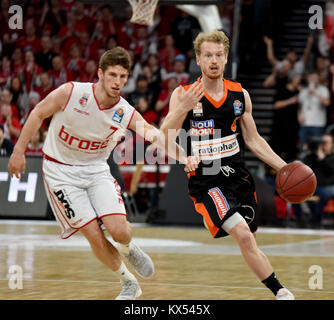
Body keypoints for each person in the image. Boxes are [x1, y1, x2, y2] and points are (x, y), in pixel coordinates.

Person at [8, 47, 190, 300]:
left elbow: (153, 133)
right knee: (93, 233)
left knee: (120, 230)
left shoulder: (124, 111)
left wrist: (185, 157)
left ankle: (128, 247)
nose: (118, 82)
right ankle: (128, 283)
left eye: (123, 77)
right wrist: (19, 151)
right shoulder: (72, 92)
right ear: (100, 74)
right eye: (113, 75)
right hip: (61, 173)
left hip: (95, 170)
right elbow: (38, 112)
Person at [160, 30, 295, 300]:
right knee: (244, 236)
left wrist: (285, 168)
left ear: (226, 58)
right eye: (208, 55)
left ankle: (277, 289)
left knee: (250, 240)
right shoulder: (184, 94)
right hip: (207, 182)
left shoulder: (240, 95)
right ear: (198, 59)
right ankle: (281, 292)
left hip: (239, 178)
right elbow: (163, 136)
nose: (214, 60)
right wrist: (181, 114)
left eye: (219, 55)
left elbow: (254, 140)